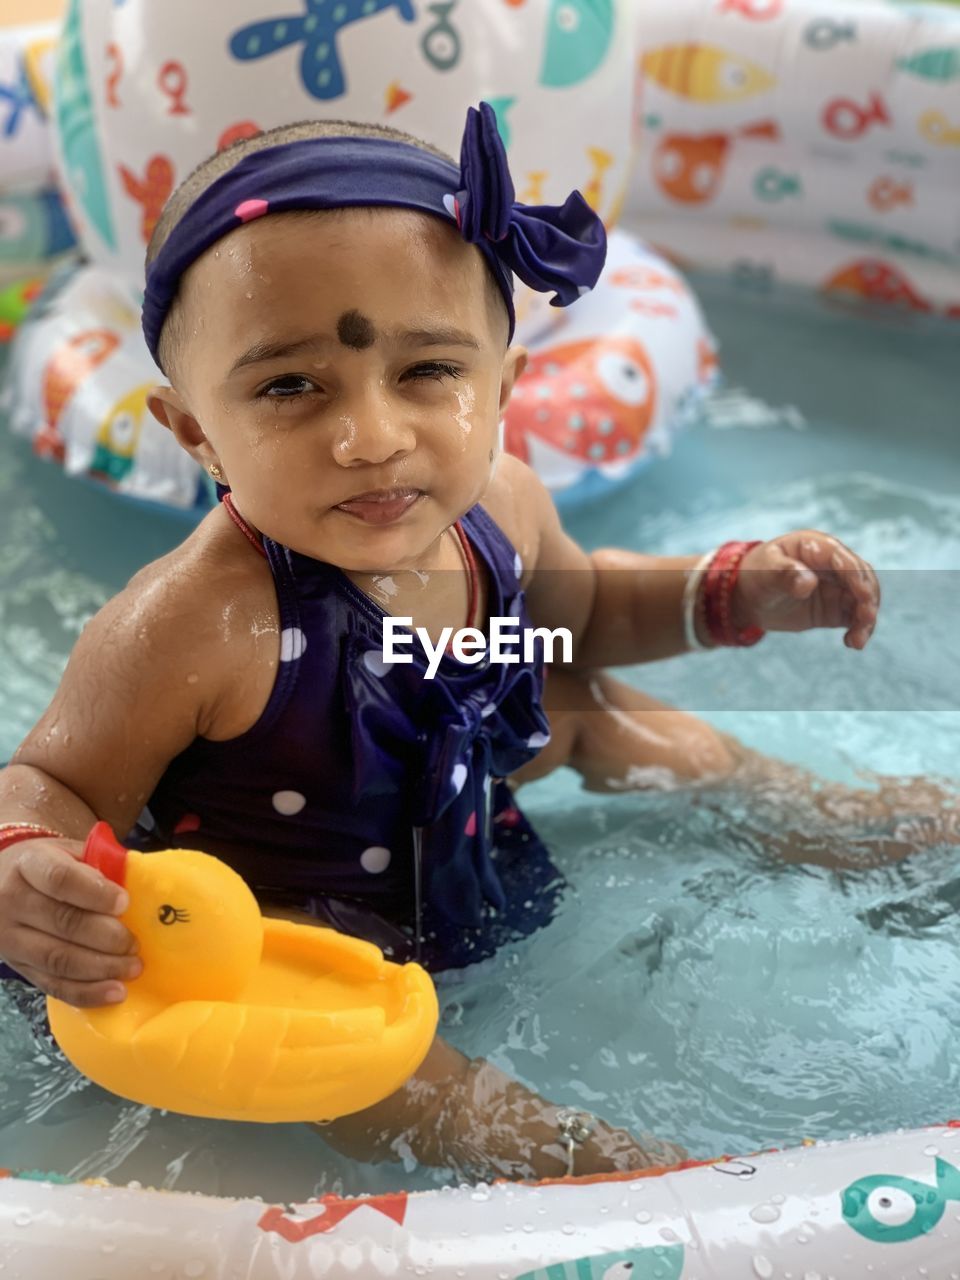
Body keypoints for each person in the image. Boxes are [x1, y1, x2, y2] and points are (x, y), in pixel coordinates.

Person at [0, 104, 938, 1183]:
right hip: (291, 935)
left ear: (503, 384)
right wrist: (28, 862)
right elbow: (47, 778)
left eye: (427, 371)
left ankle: (808, 809)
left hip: (463, 833)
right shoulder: (189, 622)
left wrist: (730, 593)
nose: (371, 435)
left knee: (580, 696)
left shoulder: (503, 504)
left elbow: (583, 611)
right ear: (196, 430)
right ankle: (589, 1163)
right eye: (289, 385)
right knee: (370, 1069)